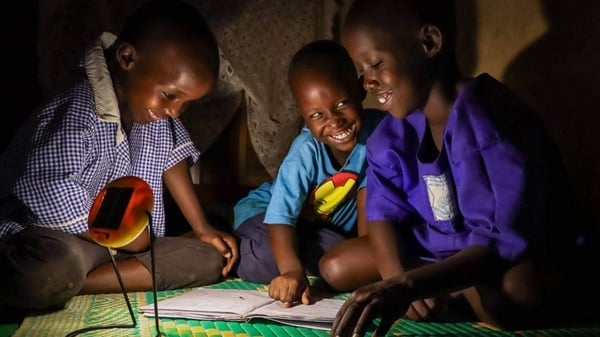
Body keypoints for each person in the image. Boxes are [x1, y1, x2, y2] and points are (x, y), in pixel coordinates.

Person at [331, 0, 600, 336]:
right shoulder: (390, 134)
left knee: (514, 300)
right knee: (336, 265)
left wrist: (409, 286)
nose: (367, 83)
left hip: (507, 253)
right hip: (440, 247)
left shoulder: (492, 120)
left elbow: (503, 242)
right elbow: (383, 214)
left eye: (376, 64)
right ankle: (445, 283)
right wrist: (393, 276)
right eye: (362, 71)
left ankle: (450, 286)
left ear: (429, 42)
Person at [0, 0, 238, 312]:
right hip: (65, 243)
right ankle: (61, 282)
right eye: (171, 95)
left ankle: (75, 287)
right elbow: (45, 188)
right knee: (49, 271)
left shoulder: (155, 112)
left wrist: (202, 227)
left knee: (208, 258)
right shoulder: (77, 110)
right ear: (127, 58)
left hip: (123, 251)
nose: (174, 111)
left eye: (186, 103)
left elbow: (172, 158)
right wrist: (125, 238)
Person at [233, 40, 385, 307]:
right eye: (317, 114)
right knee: (272, 258)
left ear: (360, 90)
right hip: (265, 214)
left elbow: (370, 209)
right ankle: (227, 243)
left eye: (341, 103)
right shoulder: (305, 150)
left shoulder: (379, 133)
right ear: (303, 116)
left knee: (339, 256)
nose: (334, 121)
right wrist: (290, 271)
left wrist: (365, 261)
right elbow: (280, 218)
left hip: (321, 230)